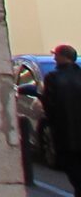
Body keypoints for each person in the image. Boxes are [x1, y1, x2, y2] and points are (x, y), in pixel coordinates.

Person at [42, 44, 81, 190]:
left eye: (56, 55)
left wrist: (53, 125)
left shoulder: (52, 78)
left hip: (65, 134)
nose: (54, 58)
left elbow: (49, 106)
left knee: (73, 169)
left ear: (63, 57)